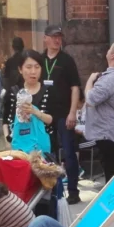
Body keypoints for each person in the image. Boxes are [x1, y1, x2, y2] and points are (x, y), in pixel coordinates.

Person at [40, 25, 83, 204]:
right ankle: (51, 190)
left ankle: (73, 191)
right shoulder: (40, 60)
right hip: (44, 115)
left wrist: (73, 112)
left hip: (64, 114)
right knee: (48, 153)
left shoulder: (66, 60)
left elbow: (75, 88)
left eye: (59, 37)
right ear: (45, 38)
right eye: (53, 36)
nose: (57, 40)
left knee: (69, 152)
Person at [84, 40, 114, 182]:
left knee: (111, 171)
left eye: (109, 49)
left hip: (107, 132)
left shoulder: (108, 81)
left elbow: (90, 100)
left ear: (112, 56)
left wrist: (90, 80)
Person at [2, 49, 54, 154]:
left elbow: (51, 119)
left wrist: (35, 112)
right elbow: (5, 120)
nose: (33, 71)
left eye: (37, 67)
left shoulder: (48, 91)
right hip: (19, 149)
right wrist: (7, 141)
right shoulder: (13, 92)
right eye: (29, 67)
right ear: (20, 69)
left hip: (42, 149)